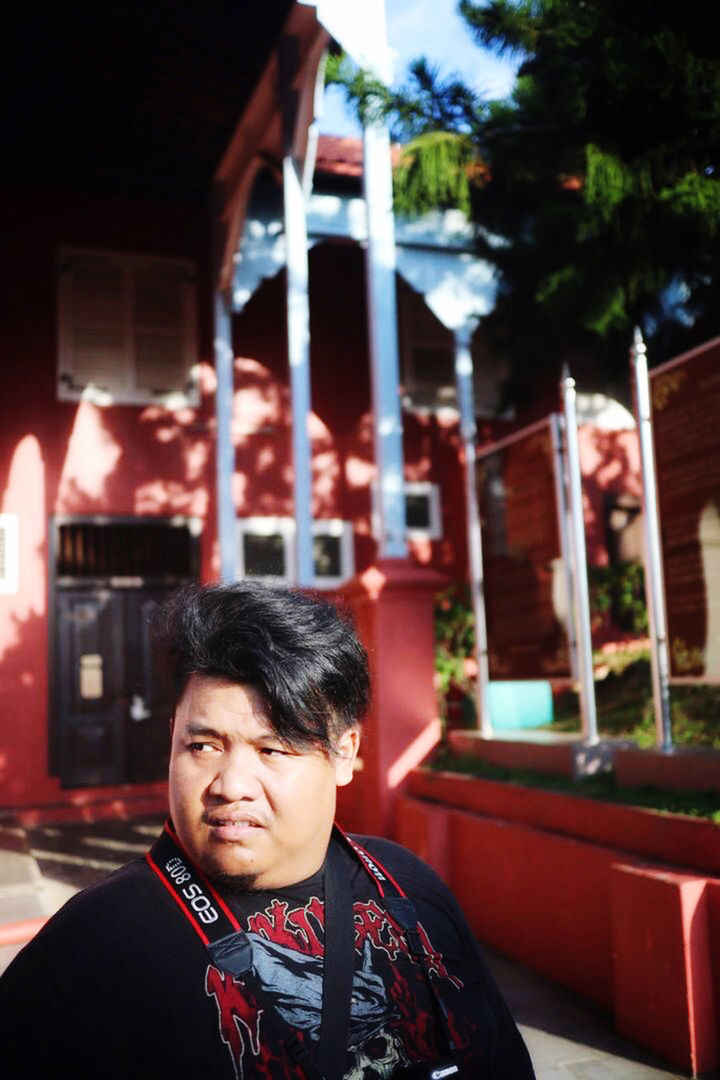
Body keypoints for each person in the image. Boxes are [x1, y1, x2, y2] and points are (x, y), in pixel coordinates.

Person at [0, 582, 534, 1079]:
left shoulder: (409, 888)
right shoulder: (92, 947)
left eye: (272, 749)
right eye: (203, 746)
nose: (230, 785)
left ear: (344, 752)